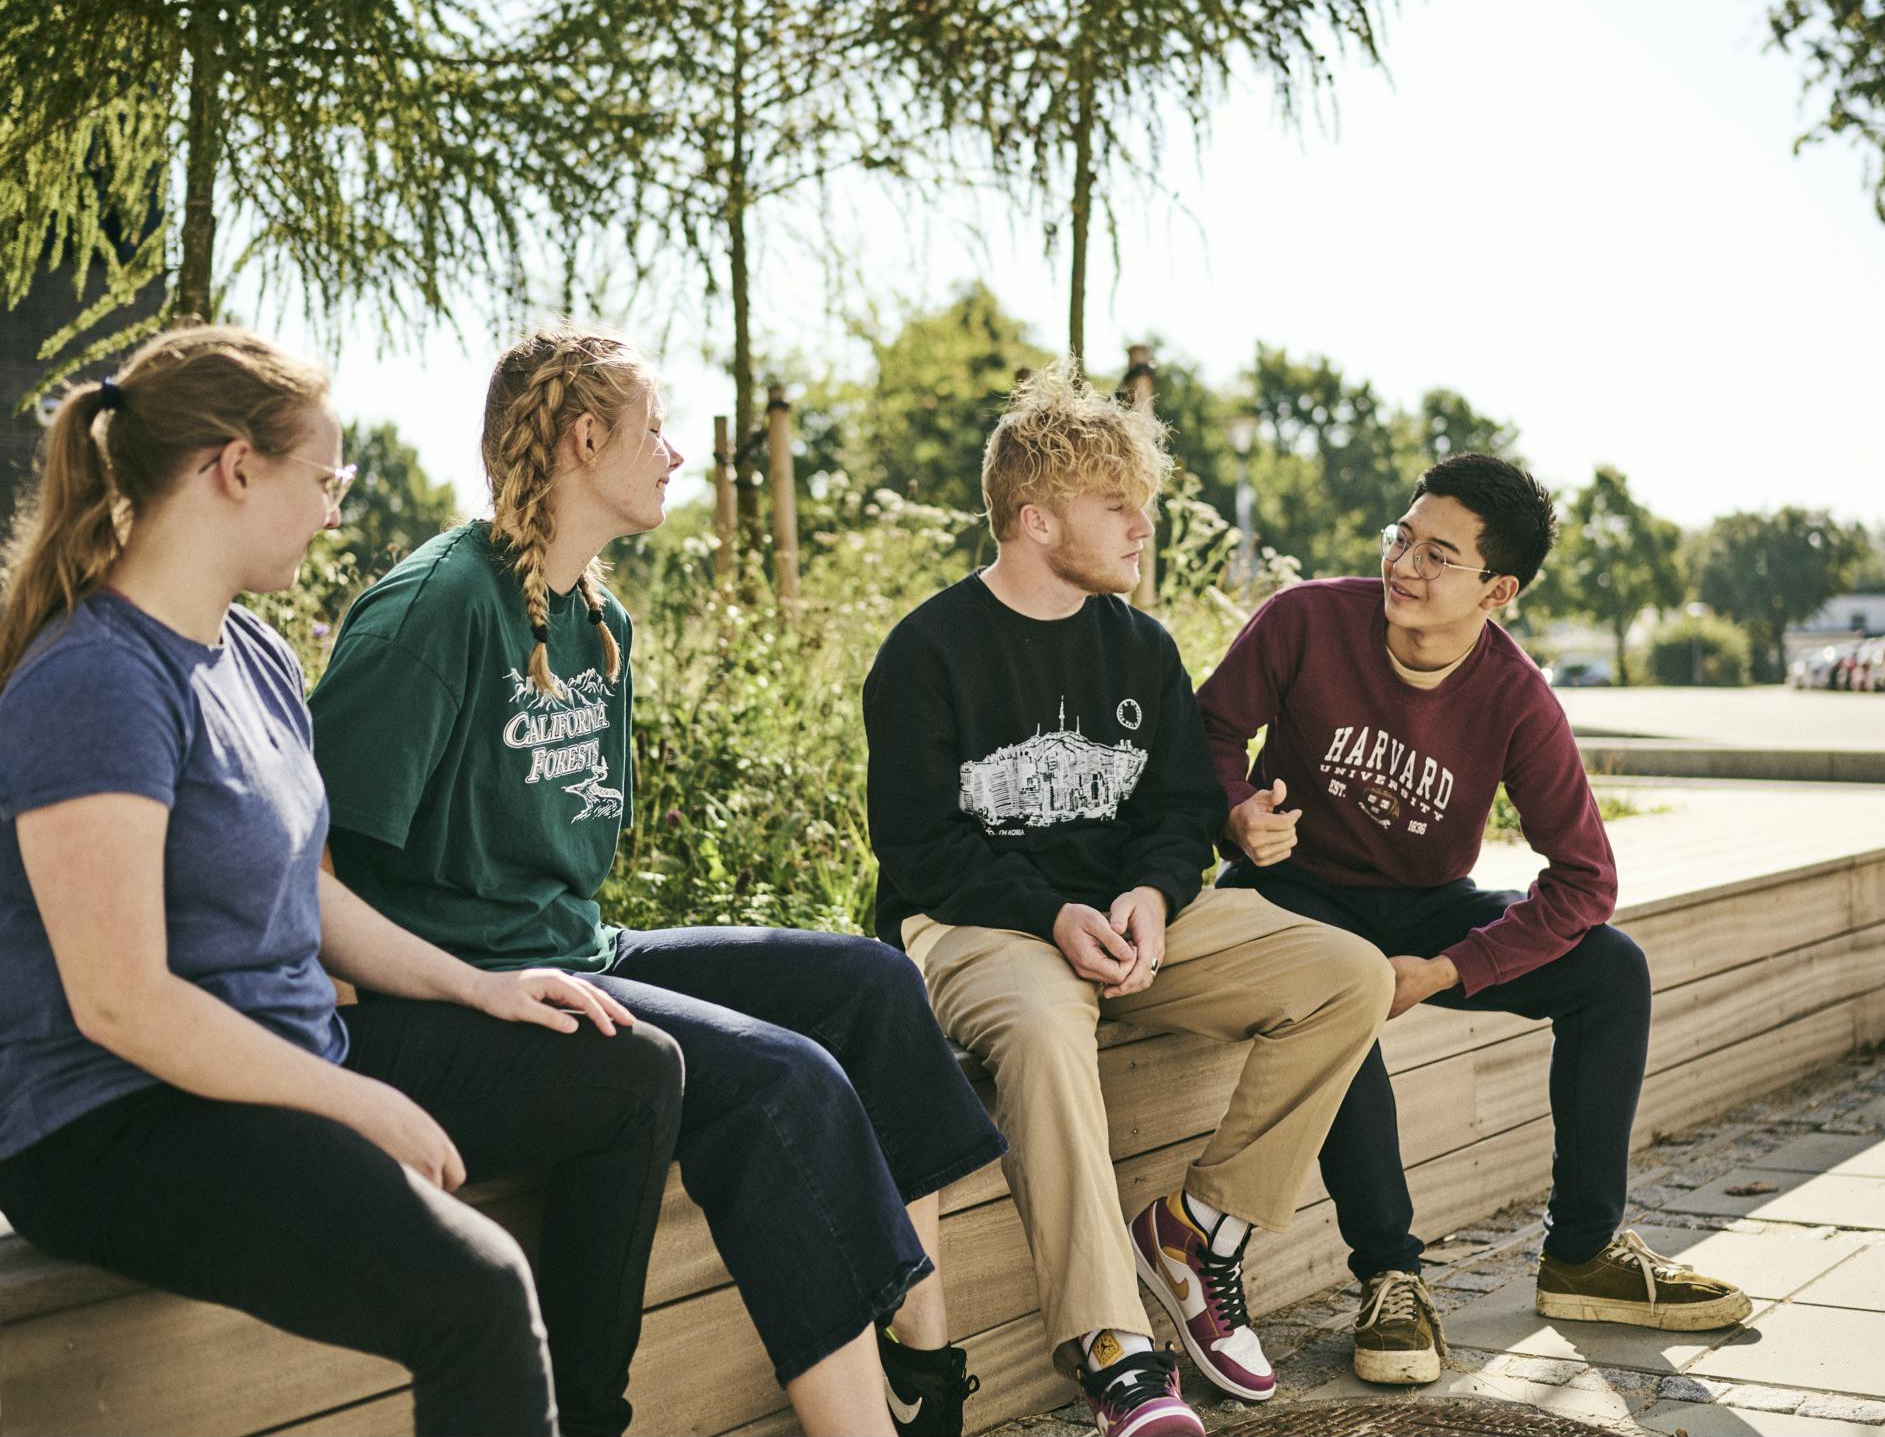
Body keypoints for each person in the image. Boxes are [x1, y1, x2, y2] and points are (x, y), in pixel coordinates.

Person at [0, 326, 683, 1437]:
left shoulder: (244, 651)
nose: (336, 510)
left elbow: (310, 887)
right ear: (234, 469)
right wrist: (356, 1100)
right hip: (111, 1124)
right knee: (477, 1293)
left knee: (626, 1073)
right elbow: (120, 1000)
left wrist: (477, 987)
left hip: (279, 1062)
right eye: (325, 478)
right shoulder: (96, 681)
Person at [307, 320, 1006, 1437]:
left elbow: (569, 860)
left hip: (577, 947)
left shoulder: (601, 623)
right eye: (657, 430)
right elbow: (312, 837)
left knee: (872, 982)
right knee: (781, 1079)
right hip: (468, 981)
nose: (678, 455)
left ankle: (922, 1374)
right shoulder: (437, 607)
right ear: (587, 437)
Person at [864, 365, 1396, 1437]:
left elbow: (1175, 811)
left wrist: (1154, 894)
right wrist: (1055, 917)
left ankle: (1201, 1228)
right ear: (1033, 517)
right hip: (979, 926)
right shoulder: (926, 652)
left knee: (1349, 973)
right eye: (1117, 505)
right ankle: (1115, 1352)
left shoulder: (1141, 648)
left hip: (1133, 922)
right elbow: (919, 847)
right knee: (1042, 1033)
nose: (1143, 526)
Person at [1196, 453, 1750, 1387]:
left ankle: (1582, 1252)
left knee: (1611, 969)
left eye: (1438, 556)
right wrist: (1238, 809)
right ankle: (1392, 1277)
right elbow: (1209, 729)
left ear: (1499, 591)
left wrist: (1451, 967)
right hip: (1291, 893)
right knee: (1339, 981)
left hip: (1420, 910)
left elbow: (1584, 878)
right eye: (1401, 537)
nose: (1404, 567)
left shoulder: (1516, 698)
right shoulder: (1306, 621)